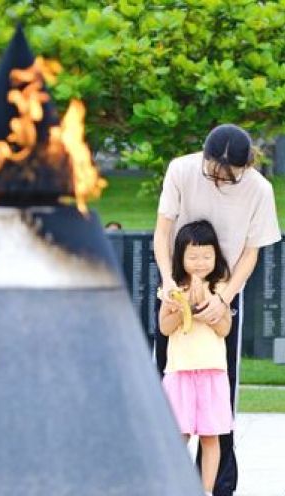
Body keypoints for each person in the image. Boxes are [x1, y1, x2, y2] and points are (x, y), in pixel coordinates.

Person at [153, 123, 281, 496]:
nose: (219, 181)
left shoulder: (259, 189)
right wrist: (170, 284)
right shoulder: (181, 169)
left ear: (246, 166)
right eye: (213, 172)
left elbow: (251, 252)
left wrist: (223, 297)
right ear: (204, 156)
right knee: (170, 390)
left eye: (230, 177)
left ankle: (218, 488)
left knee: (217, 407)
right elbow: (163, 232)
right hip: (177, 284)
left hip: (225, 288)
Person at [159, 220, 233, 496]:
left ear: (216, 256)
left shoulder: (221, 289)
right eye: (193, 256)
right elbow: (164, 328)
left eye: (207, 256)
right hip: (180, 370)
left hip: (213, 372)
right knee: (179, 434)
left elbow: (225, 329)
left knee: (211, 436)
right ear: (181, 257)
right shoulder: (172, 288)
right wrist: (182, 308)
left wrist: (210, 311)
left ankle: (205, 490)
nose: (200, 263)